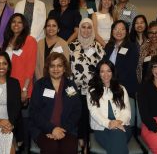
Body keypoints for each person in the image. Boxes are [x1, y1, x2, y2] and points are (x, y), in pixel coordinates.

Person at [29, 52, 81, 154]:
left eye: (59, 66)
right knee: (51, 148)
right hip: (43, 129)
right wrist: (51, 129)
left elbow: (77, 111)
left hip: (67, 129)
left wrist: (62, 130)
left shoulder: (71, 86)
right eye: (52, 66)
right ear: (48, 68)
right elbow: (34, 112)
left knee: (69, 148)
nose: (56, 69)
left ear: (64, 68)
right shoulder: (40, 85)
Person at [2, 13, 37, 150]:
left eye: (19, 22)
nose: (16, 24)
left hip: (22, 86)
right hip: (7, 86)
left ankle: (24, 146)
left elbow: (30, 66)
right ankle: (13, 145)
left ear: (24, 25)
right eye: (13, 22)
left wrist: (25, 89)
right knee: (11, 118)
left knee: (23, 119)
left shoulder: (29, 40)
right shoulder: (6, 41)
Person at [69, 18, 105, 152]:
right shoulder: (71, 46)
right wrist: (69, 90)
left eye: (89, 27)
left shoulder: (98, 47)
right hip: (74, 89)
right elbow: (67, 69)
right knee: (77, 112)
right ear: (79, 29)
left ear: (92, 30)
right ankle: (80, 140)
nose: (86, 30)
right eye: (83, 27)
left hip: (93, 89)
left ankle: (88, 142)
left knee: (90, 114)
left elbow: (103, 69)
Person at [87, 60, 132, 154]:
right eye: (102, 71)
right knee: (117, 143)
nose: (106, 74)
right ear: (98, 73)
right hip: (102, 129)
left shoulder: (121, 89)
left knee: (117, 136)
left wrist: (118, 122)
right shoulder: (92, 90)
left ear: (113, 72)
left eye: (108, 71)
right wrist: (109, 123)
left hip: (123, 126)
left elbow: (127, 111)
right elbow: (94, 112)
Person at [104, 20, 139, 98]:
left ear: (126, 32)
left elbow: (131, 68)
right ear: (112, 31)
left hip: (126, 87)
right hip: (109, 85)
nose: (119, 31)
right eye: (116, 29)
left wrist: (115, 83)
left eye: (122, 29)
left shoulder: (132, 47)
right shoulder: (108, 46)